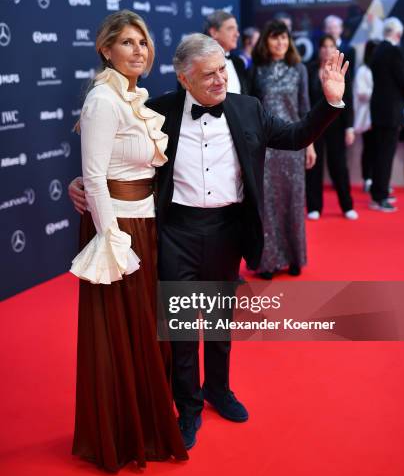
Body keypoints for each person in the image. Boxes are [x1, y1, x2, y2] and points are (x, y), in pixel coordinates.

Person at [69, 33, 349, 450]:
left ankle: (219, 389)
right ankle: (189, 405)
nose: (220, 80)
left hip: (228, 228)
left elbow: (294, 136)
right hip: (175, 229)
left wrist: (330, 102)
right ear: (184, 79)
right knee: (180, 324)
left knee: (219, 320)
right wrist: (80, 182)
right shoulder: (157, 110)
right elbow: (113, 152)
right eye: (208, 75)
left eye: (223, 70)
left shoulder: (248, 108)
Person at [69, 10, 188, 472]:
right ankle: (122, 435)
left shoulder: (135, 98)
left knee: (145, 334)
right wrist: (111, 238)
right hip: (117, 231)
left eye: (143, 42)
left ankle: (146, 425)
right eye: (127, 43)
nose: (138, 50)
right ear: (106, 49)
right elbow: (94, 178)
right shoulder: (103, 99)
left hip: (146, 225)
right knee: (120, 334)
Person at [249, 20, 316, 279]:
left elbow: (305, 108)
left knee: (293, 201)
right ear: (266, 41)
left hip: (293, 145)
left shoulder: (299, 69)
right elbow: (252, 111)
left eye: (284, 38)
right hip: (266, 147)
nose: (280, 43)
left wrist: (309, 144)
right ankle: (270, 261)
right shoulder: (257, 70)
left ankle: (295, 257)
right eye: (275, 38)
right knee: (268, 204)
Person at [306, 34, 358, 220]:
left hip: (336, 124)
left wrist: (350, 127)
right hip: (314, 124)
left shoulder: (341, 70)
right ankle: (314, 207)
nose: (327, 50)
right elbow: (305, 99)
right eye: (324, 46)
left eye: (331, 46)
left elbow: (349, 99)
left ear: (335, 49)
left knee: (339, 166)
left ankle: (347, 206)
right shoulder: (309, 69)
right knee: (313, 165)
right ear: (319, 49)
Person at [369, 17, 404, 211]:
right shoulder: (394, 51)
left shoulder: (377, 50)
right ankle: (380, 196)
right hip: (391, 111)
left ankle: (379, 190)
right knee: (385, 154)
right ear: (398, 34)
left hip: (378, 109)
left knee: (380, 153)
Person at [353, 40, 379, 192]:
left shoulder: (380, 68)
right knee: (369, 148)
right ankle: (367, 179)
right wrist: (379, 92)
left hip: (380, 114)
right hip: (367, 115)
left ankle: (378, 179)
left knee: (379, 149)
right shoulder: (363, 70)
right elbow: (361, 92)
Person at [204, 10, 249, 93]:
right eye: (230, 29)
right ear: (214, 32)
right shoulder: (198, 64)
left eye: (237, 29)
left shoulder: (239, 63)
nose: (237, 34)